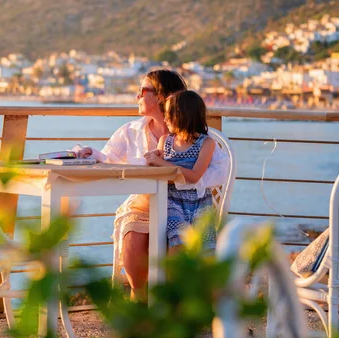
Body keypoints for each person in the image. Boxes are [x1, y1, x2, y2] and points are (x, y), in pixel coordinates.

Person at [77, 69, 228, 300]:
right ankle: (140, 300)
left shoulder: (196, 137)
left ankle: (178, 303)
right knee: (134, 237)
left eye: (142, 91)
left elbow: (218, 170)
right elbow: (111, 159)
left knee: (179, 242)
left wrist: (178, 179)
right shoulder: (131, 130)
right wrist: (92, 154)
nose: (137, 96)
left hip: (183, 205)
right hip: (144, 204)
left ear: (160, 96)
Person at [144, 90, 217, 253]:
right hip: (171, 200)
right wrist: (151, 161)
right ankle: (173, 279)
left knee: (206, 252)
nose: (165, 118)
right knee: (178, 244)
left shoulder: (206, 143)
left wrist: (161, 162)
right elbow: (158, 173)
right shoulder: (164, 141)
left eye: (169, 113)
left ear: (185, 115)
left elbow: (194, 176)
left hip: (199, 203)